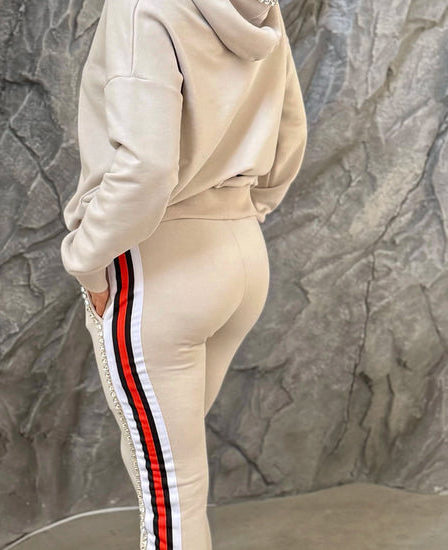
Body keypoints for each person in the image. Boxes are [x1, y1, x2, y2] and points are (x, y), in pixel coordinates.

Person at [60, 0, 307, 548]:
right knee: (166, 467)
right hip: (242, 253)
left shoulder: (140, 6)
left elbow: (146, 169)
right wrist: (245, 208)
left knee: (171, 493)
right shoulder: (262, 9)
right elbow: (290, 129)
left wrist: (87, 262)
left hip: (160, 267)